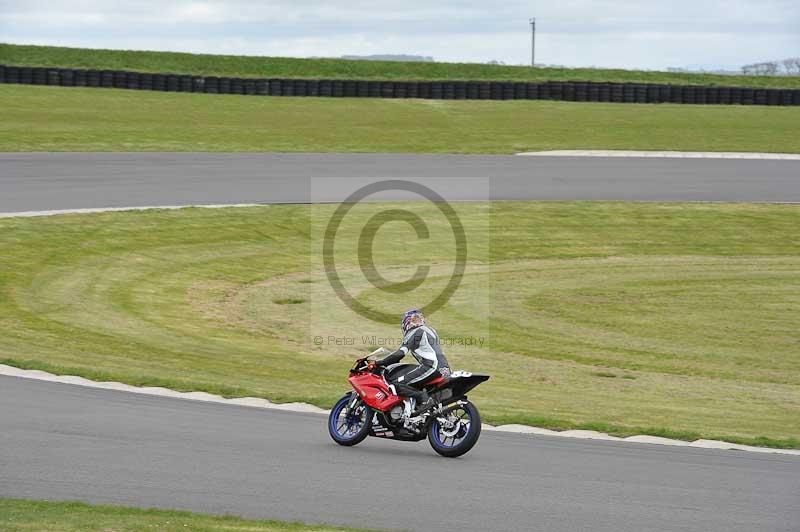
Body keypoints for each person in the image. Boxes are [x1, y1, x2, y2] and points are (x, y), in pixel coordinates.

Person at [377, 309, 450, 417]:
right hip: (446, 369)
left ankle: (422, 398)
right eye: (414, 320)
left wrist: (381, 362)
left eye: (417, 319)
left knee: (395, 384)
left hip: (431, 367)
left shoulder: (415, 332)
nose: (415, 322)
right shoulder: (431, 330)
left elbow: (400, 353)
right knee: (416, 385)